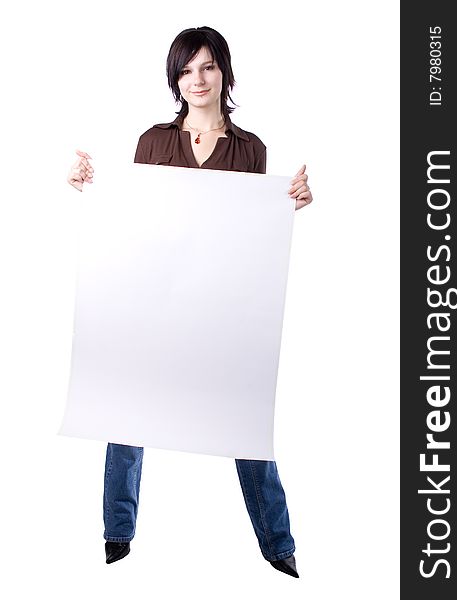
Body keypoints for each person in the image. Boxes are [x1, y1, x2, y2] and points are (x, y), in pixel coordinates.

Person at [67, 26, 312, 578]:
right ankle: (118, 534)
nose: (196, 80)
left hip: (221, 312)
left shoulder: (251, 150)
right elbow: (134, 220)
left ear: (224, 71)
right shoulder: (153, 141)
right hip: (154, 303)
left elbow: (249, 235)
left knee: (244, 422)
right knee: (126, 418)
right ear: (175, 79)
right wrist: (90, 187)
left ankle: (279, 544)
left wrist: (289, 206)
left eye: (207, 67)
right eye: (185, 70)